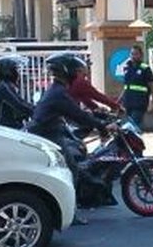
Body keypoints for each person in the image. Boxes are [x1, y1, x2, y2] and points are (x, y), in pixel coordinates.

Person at [27, 53, 114, 221]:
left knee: (75, 153)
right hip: (48, 135)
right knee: (71, 170)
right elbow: (78, 115)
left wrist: (97, 116)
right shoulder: (59, 92)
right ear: (66, 71)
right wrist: (102, 126)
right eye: (76, 70)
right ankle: (70, 213)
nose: (78, 74)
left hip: (49, 132)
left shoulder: (58, 90)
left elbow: (78, 111)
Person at [0, 54, 36, 129]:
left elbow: (20, 104)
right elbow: (19, 105)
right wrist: (39, 111)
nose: (18, 73)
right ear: (9, 71)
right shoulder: (4, 88)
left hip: (7, 127)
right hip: (3, 130)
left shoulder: (5, 86)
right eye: (15, 70)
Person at [119, 44, 153, 132]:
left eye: (136, 54)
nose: (133, 56)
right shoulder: (127, 68)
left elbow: (152, 88)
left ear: (141, 55)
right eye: (132, 54)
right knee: (129, 129)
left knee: (132, 127)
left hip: (139, 103)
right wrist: (119, 100)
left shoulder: (145, 69)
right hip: (128, 103)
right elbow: (126, 87)